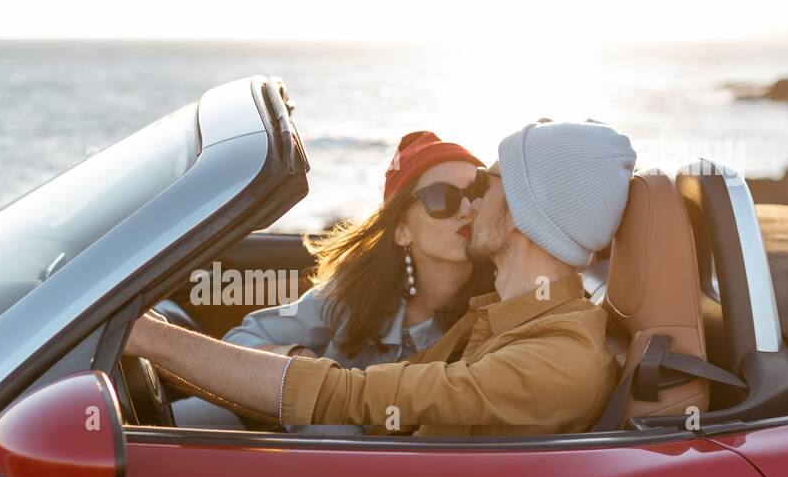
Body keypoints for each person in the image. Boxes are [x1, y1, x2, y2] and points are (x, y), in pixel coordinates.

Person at [128, 119, 636, 437]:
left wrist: (152, 338)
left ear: (527, 213)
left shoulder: (556, 358)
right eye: (450, 197)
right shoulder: (500, 320)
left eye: (487, 184)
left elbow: (351, 400)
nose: (471, 204)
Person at [224, 131, 496, 366]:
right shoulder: (357, 293)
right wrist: (297, 358)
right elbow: (239, 341)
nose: (467, 210)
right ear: (402, 231)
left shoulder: (502, 306)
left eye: (477, 193)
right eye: (442, 198)